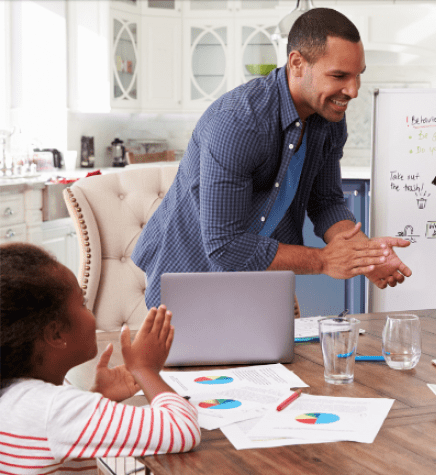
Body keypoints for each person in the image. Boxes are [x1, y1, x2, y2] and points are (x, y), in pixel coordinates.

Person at [132, 8, 411, 309]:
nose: (353, 90)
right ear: (297, 64)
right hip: (190, 274)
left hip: (256, 276)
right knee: (207, 358)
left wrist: (366, 256)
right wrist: (322, 260)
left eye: (358, 76)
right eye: (339, 76)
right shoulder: (239, 123)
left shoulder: (328, 118)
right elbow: (224, 246)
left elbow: (326, 202)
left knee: (284, 356)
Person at [0, 243, 200, 474]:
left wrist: (97, 397)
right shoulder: (52, 409)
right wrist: (145, 370)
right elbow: (181, 430)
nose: (90, 311)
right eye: (83, 303)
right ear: (55, 334)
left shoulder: (22, 397)